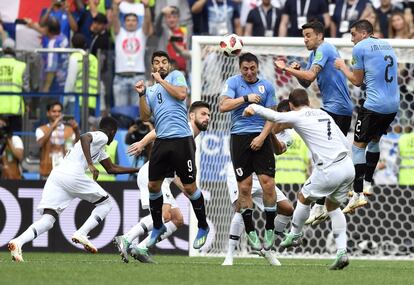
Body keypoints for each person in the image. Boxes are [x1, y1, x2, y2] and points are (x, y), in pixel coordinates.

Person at [243, 88, 355, 270]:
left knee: (303, 198)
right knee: (333, 208)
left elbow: (275, 117)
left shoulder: (298, 115)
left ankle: (295, 233)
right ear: (309, 101)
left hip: (328, 168)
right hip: (346, 165)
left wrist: (254, 107)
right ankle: (342, 251)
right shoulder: (323, 114)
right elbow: (343, 140)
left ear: (290, 105)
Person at [7, 117, 139, 262]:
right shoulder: (102, 135)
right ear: (112, 131)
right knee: (106, 204)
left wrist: (138, 169)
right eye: (113, 135)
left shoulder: (99, 148)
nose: (112, 138)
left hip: (57, 176)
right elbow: (84, 137)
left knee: (48, 219)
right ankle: (82, 233)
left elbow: (111, 168)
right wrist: (90, 164)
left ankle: (17, 242)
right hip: (73, 174)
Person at [275, 20, 353, 225]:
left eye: (309, 35)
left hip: (337, 108)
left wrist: (286, 69)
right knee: (328, 152)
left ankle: (344, 192)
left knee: (322, 150)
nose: (305, 39)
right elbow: (307, 81)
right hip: (336, 108)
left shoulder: (325, 48)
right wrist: (297, 70)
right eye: (304, 35)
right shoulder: (314, 55)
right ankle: (323, 204)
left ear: (319, 35)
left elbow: (309, 75)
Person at [113, 101, 211, 263]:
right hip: (153, 175)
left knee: (177, 219)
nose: (207, 117)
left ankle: (141, 248)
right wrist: (142, 144)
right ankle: (126, 238)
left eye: (209, 115)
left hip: (163, 177)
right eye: (203, 114)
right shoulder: (183, 127)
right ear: (192, 115)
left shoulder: (189, 139)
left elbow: (179, 177)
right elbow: (159, 131)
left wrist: (189, 191)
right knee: (165, 215)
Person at [135, 50, 209, 250]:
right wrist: (142, 94)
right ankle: (157, 226)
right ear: (152, 66)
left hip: (181, 140)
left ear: (168, 65)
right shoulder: (150, 90)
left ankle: (203, 225)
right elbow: (144, 116)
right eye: (157, 62)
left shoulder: (176, 77)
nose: (160, 65)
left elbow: (181, 94)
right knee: (153, 186)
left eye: (164, 62)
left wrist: (161, 80)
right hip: (162, 141)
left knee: (190, 187)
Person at [334, 20, 399, 213]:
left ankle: (357, 194)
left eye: (353, 34)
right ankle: (369, 183)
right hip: (392, 106)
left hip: (374, 106)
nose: (352, 39)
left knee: (357, 146)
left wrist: (342, 66)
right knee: (374, 141)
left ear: (363, 33)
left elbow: (356, 81)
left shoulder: (360, 47)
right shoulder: (386, 44)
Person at [222, 99, 294, 266]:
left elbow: (278, 150)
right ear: (283, 114)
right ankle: (230, 255)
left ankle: (268, 249)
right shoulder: (257, 120)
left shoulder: (288, 136)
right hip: (244, 171)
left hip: (262, 175)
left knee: (287, 208)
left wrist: (268, 133)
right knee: (241, 208)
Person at [219, 52, 278, 252]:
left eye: (252, 68)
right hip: (239, 138)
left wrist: (262, 137)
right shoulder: (233, 83)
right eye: (245, 68)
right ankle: (251, 231)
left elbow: (273, 115)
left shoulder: (267, 86)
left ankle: (270, 227)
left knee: (268, 184)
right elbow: (222, 106)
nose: (249, 72)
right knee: (244, 188)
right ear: (240, 68)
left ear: (257, 67)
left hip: (261, 136)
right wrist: (246, 99)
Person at [112, 0, 153, 107]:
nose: (131, 22)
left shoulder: (142, 33)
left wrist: (146, 7)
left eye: (134, 20)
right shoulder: (119, 32)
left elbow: (147, 21)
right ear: (124, 22)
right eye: (128, 20)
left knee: (138, 113)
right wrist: (115, 5)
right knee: (120, 113)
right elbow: (114, 18)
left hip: (138, 77)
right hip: (120, 77)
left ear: (137, 22)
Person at [36, 102, 80, 179]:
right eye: (54, 111)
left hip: (66, 172)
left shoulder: (69, 130)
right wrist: (53, 126)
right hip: (47, 172)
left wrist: (76, 131)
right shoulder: (41, 129)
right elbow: (40, 143)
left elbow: (78, 147)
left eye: (59, 111)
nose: (57, 114)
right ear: (48, 113)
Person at [64, 33, 98, 116]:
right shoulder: (93, 58)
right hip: (93, 100)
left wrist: (64, 101)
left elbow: (70, 81)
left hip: (77, 101)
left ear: (72, 44)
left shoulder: (74, 57)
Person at [0, 38, 29, 132]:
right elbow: (26, 88)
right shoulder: (21, 65)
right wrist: (27, 103)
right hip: (15, 108)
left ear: (3, 50)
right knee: (15, 139)